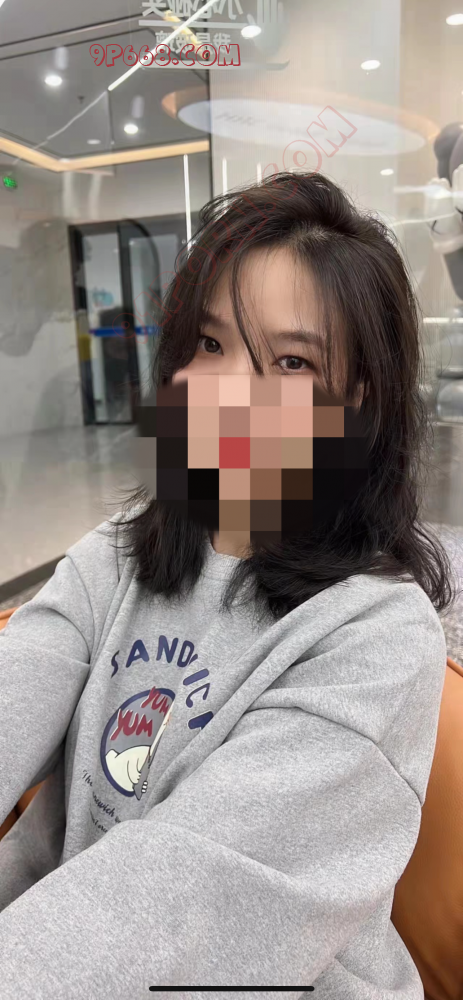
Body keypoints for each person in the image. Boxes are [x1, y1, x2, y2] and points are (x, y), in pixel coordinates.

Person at [0, 171, 455, 1000]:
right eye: (211, 345)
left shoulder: (376, 637)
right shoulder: (119, 554)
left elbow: (174, 901)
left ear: (356, 398)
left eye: (290, 362)